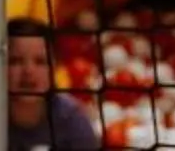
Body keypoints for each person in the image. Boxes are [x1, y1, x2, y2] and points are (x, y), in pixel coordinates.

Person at [6, 18, 104, 151]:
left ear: (55, 67)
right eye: (15, 61)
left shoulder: (72, 120)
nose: (28, 71)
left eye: (40, 61)